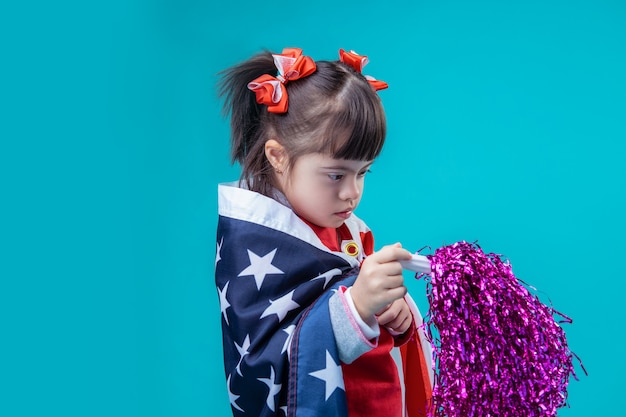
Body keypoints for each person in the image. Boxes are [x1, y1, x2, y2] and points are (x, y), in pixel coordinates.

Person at [215, 47, 433, 417]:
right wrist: (356, 306)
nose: (352, 192)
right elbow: (264, 365)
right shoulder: (252, 245)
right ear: (278, 156)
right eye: (336, 175)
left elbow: (350, 318)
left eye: (363, 173)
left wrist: (392, 312)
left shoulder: (340, 230)